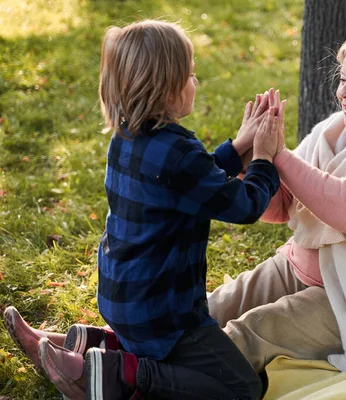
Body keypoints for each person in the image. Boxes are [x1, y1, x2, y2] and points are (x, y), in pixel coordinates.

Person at [5, 17, 346, 392]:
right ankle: (80, 350)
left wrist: (273, 155)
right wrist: (249, 152)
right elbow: (280, 206)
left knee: (244, 337)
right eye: (342, 79)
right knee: (204, 315)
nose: (342, 91)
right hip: (308, 269)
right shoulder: (338, 128)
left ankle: (108, 377)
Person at [5, 20, 285, 400]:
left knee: (178, 356)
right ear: (168, 91)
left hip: (124, 299)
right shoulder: (179, 153)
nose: (195, 82)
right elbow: (245, 205)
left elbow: (194, 185)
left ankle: (80, 345)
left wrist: (237, 148)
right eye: (189, 74)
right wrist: (264, 159)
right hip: (164, 314)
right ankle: (118, 373)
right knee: (242, 388)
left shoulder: (126, 138)